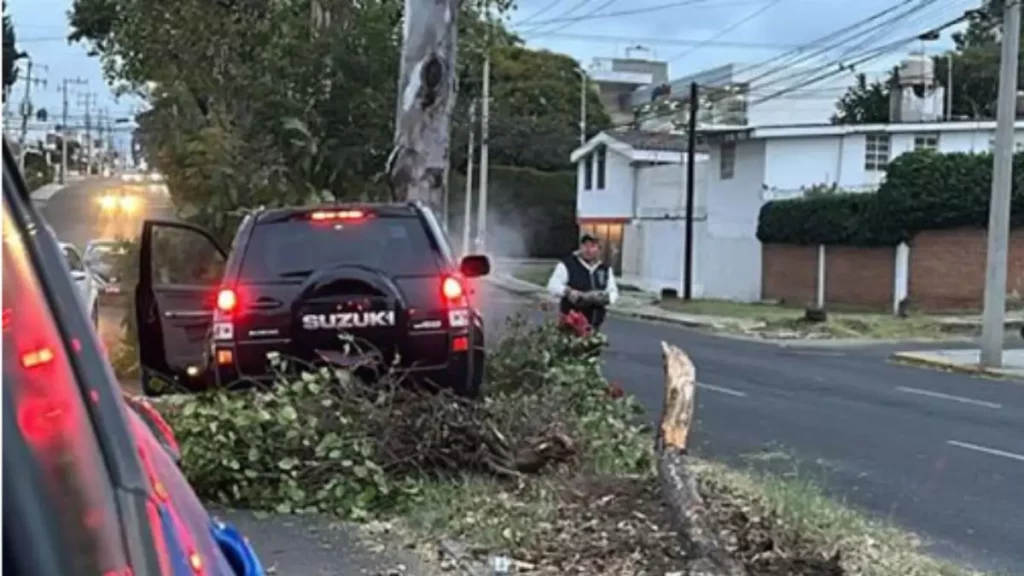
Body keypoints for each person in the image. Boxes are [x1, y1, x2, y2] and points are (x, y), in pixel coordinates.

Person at [546, 233, 619, 331]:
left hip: (594, 325)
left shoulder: (604, 269)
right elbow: (552, 285)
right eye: (585, 246)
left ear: (599, 249)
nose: (588, 250)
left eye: (592, 246)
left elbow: (613, 291)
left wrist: (604, 297)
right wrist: (569, 291)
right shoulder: (567, 264)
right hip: (571, 324)